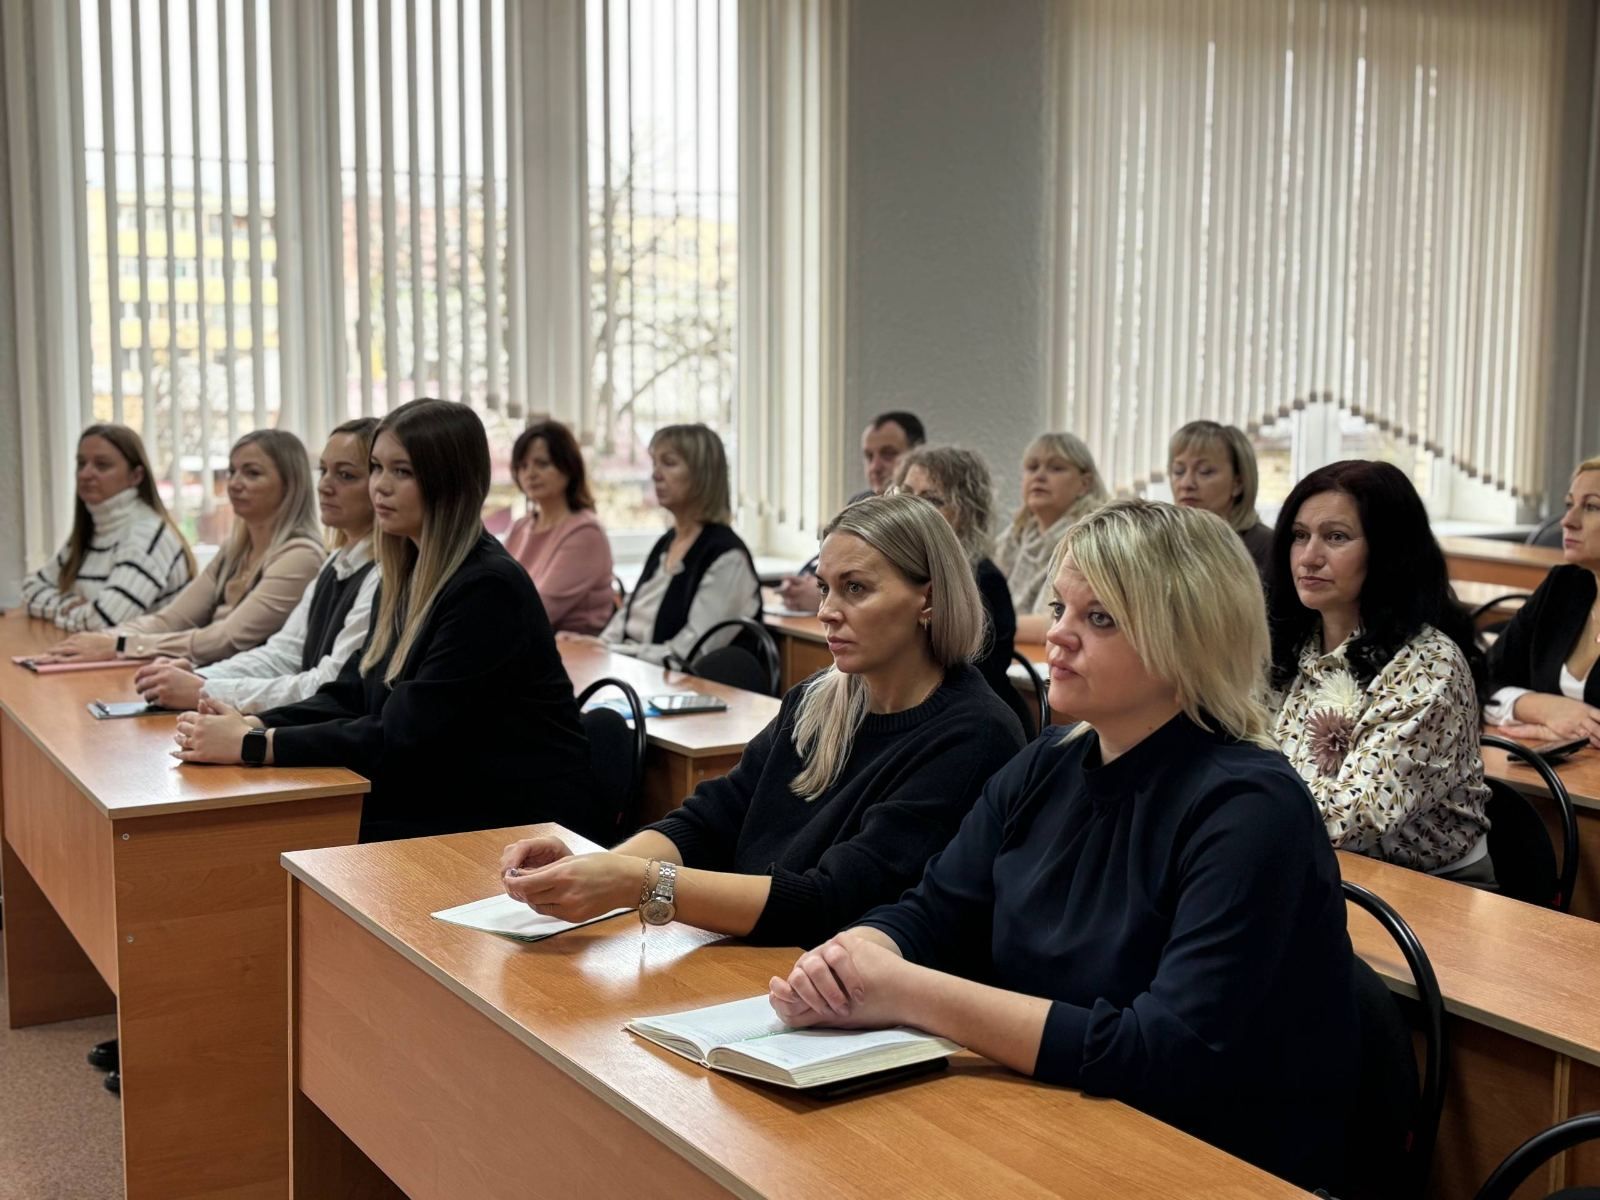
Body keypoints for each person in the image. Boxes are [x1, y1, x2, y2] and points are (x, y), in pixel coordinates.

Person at [768, 500, 1357, 1191]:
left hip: (1215, 1161)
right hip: (1059, 1115)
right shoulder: (1046, 764)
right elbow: (931, 910)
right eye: (1058, 609)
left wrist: (905, 991)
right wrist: (849, 961)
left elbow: (1162, 1054)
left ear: (1187, 639)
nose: (1057, 636)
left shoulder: (1251, 809)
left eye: (1099, 618)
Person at [498, 494, 1025, 946]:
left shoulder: (975, 734)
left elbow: (832, 903)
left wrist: (634, 882)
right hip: (753, 957)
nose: (826, 610)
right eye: (825, 588)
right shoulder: (817, 700)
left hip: (829, 983)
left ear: (927, 599)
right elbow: (712, 819)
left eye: (856, 588)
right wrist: (597, 869)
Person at [171, 399, 593, 843]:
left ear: (449, 481)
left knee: (272, 837)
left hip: (515, 825)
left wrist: (255, 745)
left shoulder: (487, 587)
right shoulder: (407, 572)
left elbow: (405, 735)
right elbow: (354, 691)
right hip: (444, 798)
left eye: (402, 472)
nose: (381, 487)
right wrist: (254, 724)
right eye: (376, 467)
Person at [1268, 460, 1492, 880]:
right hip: (1306, 863)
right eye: (1299, 536)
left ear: (1387, 550)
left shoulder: (1428, 665)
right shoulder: (1289, 643)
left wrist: (1231, 805)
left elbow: (1353, 819)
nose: (1309, 557)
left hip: (1428, 888)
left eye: (1336, 537)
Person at [129, 419, 381, 714]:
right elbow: (282, 655)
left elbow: (329, 686)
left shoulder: (367, 571)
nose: (324, 485)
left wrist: (204, 688)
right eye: (323, 471)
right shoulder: (335, 563)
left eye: (346, 475)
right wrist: (199, 677)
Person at [38, 430, 325, 666]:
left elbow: (227, 639)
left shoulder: (300, 556)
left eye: (252, 473)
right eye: (232, 471)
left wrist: (120, 644)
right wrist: (105, 640)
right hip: (201, 677)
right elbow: (172, 620)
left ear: (290, 485)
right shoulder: (234, 549)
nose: (234, 483)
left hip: (235, 694)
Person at [587, 424, 761, 666]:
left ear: (702, 474)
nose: (655, 475)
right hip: (636, 670)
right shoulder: (666, 543)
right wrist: (595, 646)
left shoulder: (727, 556)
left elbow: (689, 654)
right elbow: (626, 619)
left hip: (679, 683)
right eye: (654, 464)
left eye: (669, 463)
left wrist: (614, 652)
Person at [894, 446, 1031, 731]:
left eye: (932, 500)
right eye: (906, 494)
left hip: (970, 724)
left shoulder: (984, 582)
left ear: (967, 514)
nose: (913, 508)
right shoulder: (898, 574)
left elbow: (964, 680)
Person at [22, 424, 195, 630]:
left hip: (146, 651)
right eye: (81, 464)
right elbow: (29, 590)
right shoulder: (93, 531)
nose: (85, 474)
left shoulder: (147, 535)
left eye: (102, 465)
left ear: (136, 476)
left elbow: (102, 622)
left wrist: (62, 608)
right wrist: (69, 604)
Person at [1485, 456, 1600, 746]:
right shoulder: (1563, 585)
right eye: (1569, 504)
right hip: (1550, 765)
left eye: (1592, 507)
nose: (1567, 521)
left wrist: (1574, 731)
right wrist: (1544, 709)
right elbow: (1482, 679)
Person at [775, 411, 927, 613]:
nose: (875, 467)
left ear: (917, 455)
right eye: (869, 456)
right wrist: (801, 585)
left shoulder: (924, 514)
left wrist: (823, 597)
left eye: (888, 454)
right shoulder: (860, 503)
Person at [504, 419, 615, 634]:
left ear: (569, 467)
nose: (530, 474)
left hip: (571, 648)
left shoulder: (585, 532)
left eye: (542, 464)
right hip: (520, 642)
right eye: (523, 466)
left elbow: (539, 612)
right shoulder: (520, 526)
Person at [993, 432, 1107, 642]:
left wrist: (989, 626)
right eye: (1032, 467)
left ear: (1085, 483)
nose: (1039, 476)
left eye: (1056, 468)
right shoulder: (1013, 538)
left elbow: (1059, 622)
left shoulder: (1092, 540)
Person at [1168, 419, 1274, 579]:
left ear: (1238, 483)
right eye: (1178, 471)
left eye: (1204, 471)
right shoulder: (1165, 542)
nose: (1186, 484)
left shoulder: (1266, 547)